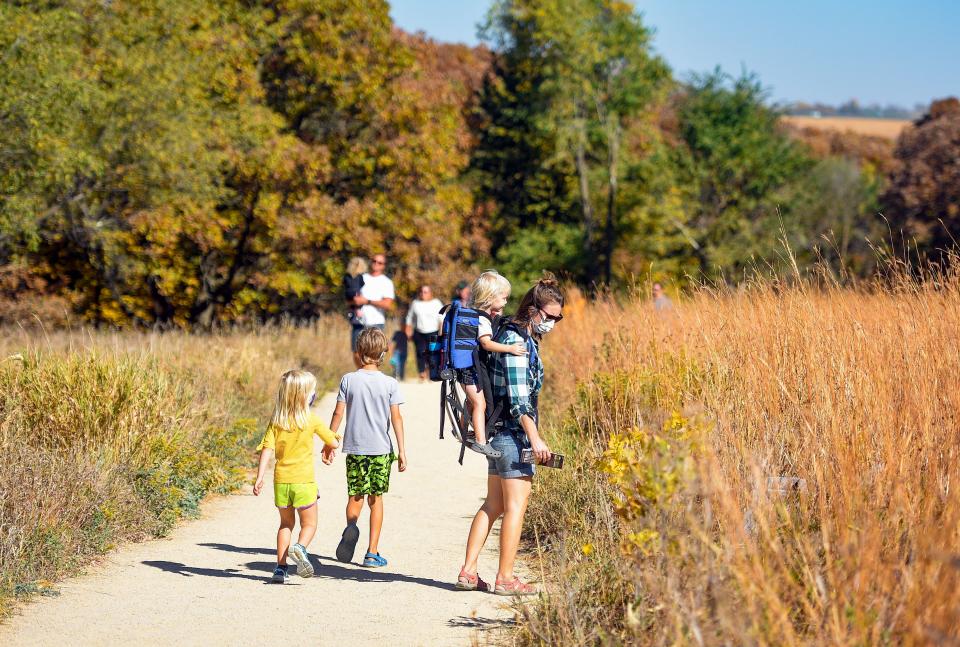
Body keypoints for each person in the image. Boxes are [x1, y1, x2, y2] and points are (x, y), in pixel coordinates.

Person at [457, 274, 563, 596]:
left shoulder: (501, 331)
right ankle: (505, 578)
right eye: (550, 316)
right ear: (532, 310)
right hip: (513, 437)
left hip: (496, 432)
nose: (553, 322)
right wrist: (535, 438)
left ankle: (469, 572)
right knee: (516, 505)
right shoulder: (517, 342)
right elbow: (519, 399)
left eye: (559, 317)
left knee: (493, 504)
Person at [324, 328, 407, 568]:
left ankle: (351, 527)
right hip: (381, 450)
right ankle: (371, 552)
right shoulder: (390, 383)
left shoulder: (348, 379)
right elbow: (397, 419)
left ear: (359, 352)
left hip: (355, 449)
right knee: (376, 499)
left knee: (355, 495)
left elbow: (338, 412)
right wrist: (402, 450)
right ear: (384, 354)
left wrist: (330, 441)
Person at [253, 370, 339, 584]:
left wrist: (259, 477)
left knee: (285, 524)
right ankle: (300, 548)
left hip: (281, 481)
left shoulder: (277, 420)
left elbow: (266, 449)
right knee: (309, 524)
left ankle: (280, 569)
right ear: (305, 396)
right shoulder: (311, 420)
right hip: (304, 482)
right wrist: (332, 441)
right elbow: (334, 442)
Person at [459, 271, 526, 454]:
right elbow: (486, 343)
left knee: (473, 401)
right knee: (481, 403)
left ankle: (463, 429)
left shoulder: (478, 314)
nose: (505, 302)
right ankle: (481, 441)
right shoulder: (483, 319)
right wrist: (510, 349)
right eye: (503, 298)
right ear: (490, 297)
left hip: (467, 367)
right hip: (472, 369)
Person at [351, 253, 395, 355]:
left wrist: (367, 301)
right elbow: (352, 297)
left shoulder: (386, 282)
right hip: (359, 321)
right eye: (374, 261)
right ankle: (362, 371)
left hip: (376, 323)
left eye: (380, 263)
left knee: (373, 354)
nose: (376, 264)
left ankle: (370, 371)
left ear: (383, 265)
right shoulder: (361, 278)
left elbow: (387, 304)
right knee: (356, 353)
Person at [405, 285, 443, 381]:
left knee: (432, 353)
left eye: (426, 292)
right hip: (419, 332)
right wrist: (408, 329)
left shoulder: (436, 303)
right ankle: (421, 372)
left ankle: (431, 372)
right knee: (420, 352)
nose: (423, 294)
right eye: (421, 292)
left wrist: (441, 332)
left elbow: (441, 319)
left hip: (433, 332)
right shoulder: (415, 303)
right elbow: (409, 317)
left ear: (430, 293)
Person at [343, 257, 368, 346]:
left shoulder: (347, 276)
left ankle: (354, 314)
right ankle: (357, 313)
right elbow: (362, 286)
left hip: (350, 298)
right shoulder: (360, 277)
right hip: (357, 297)